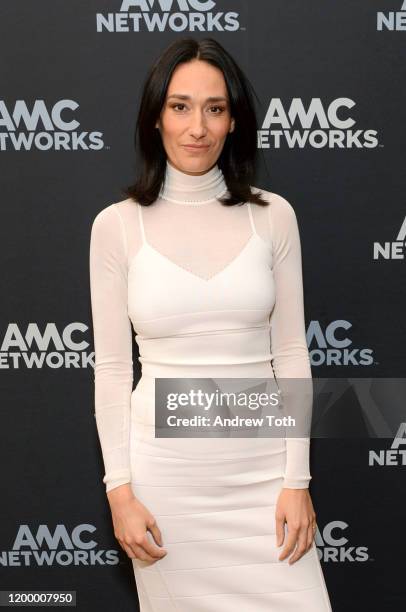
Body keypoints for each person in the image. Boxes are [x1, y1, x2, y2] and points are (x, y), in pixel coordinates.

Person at [89, 37, 332, 611]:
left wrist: (297, 482)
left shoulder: (274, 217)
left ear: (232, 122)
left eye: (214, 108)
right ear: (155, 118)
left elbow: (292, 353)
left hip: (264, 479)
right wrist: (119, 492)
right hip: (166, 487)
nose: (196, 126)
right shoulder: (117, 227)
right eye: (179, 106)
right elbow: (112, 369)